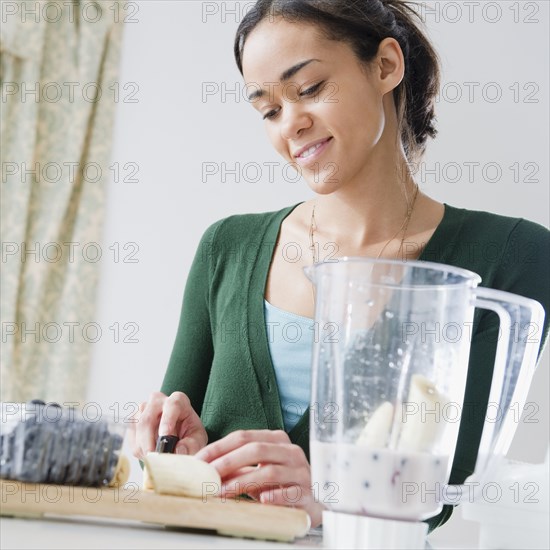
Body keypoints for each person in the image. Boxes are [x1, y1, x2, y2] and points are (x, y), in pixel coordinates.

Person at [130, 0, 550, 532]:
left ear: (386, 66)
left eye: (308, 89)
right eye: (268, 110)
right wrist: (176, 452)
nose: (292, 124)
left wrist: (323, 498)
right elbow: (172, 462)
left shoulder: (512, 255)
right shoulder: (227, 246)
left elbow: (449, 487)